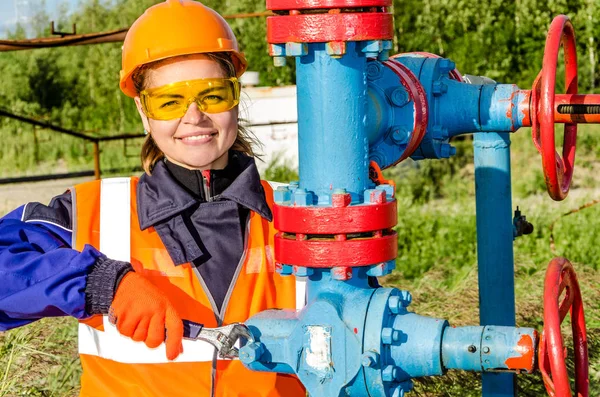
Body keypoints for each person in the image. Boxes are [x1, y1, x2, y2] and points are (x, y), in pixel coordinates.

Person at [0, 0, 305, 395]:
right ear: (143, 112)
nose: (194, 116)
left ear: (235, 97)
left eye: (212, 94)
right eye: (169, 101)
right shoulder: (93, 212)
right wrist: (101, 284)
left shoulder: (300, 213)